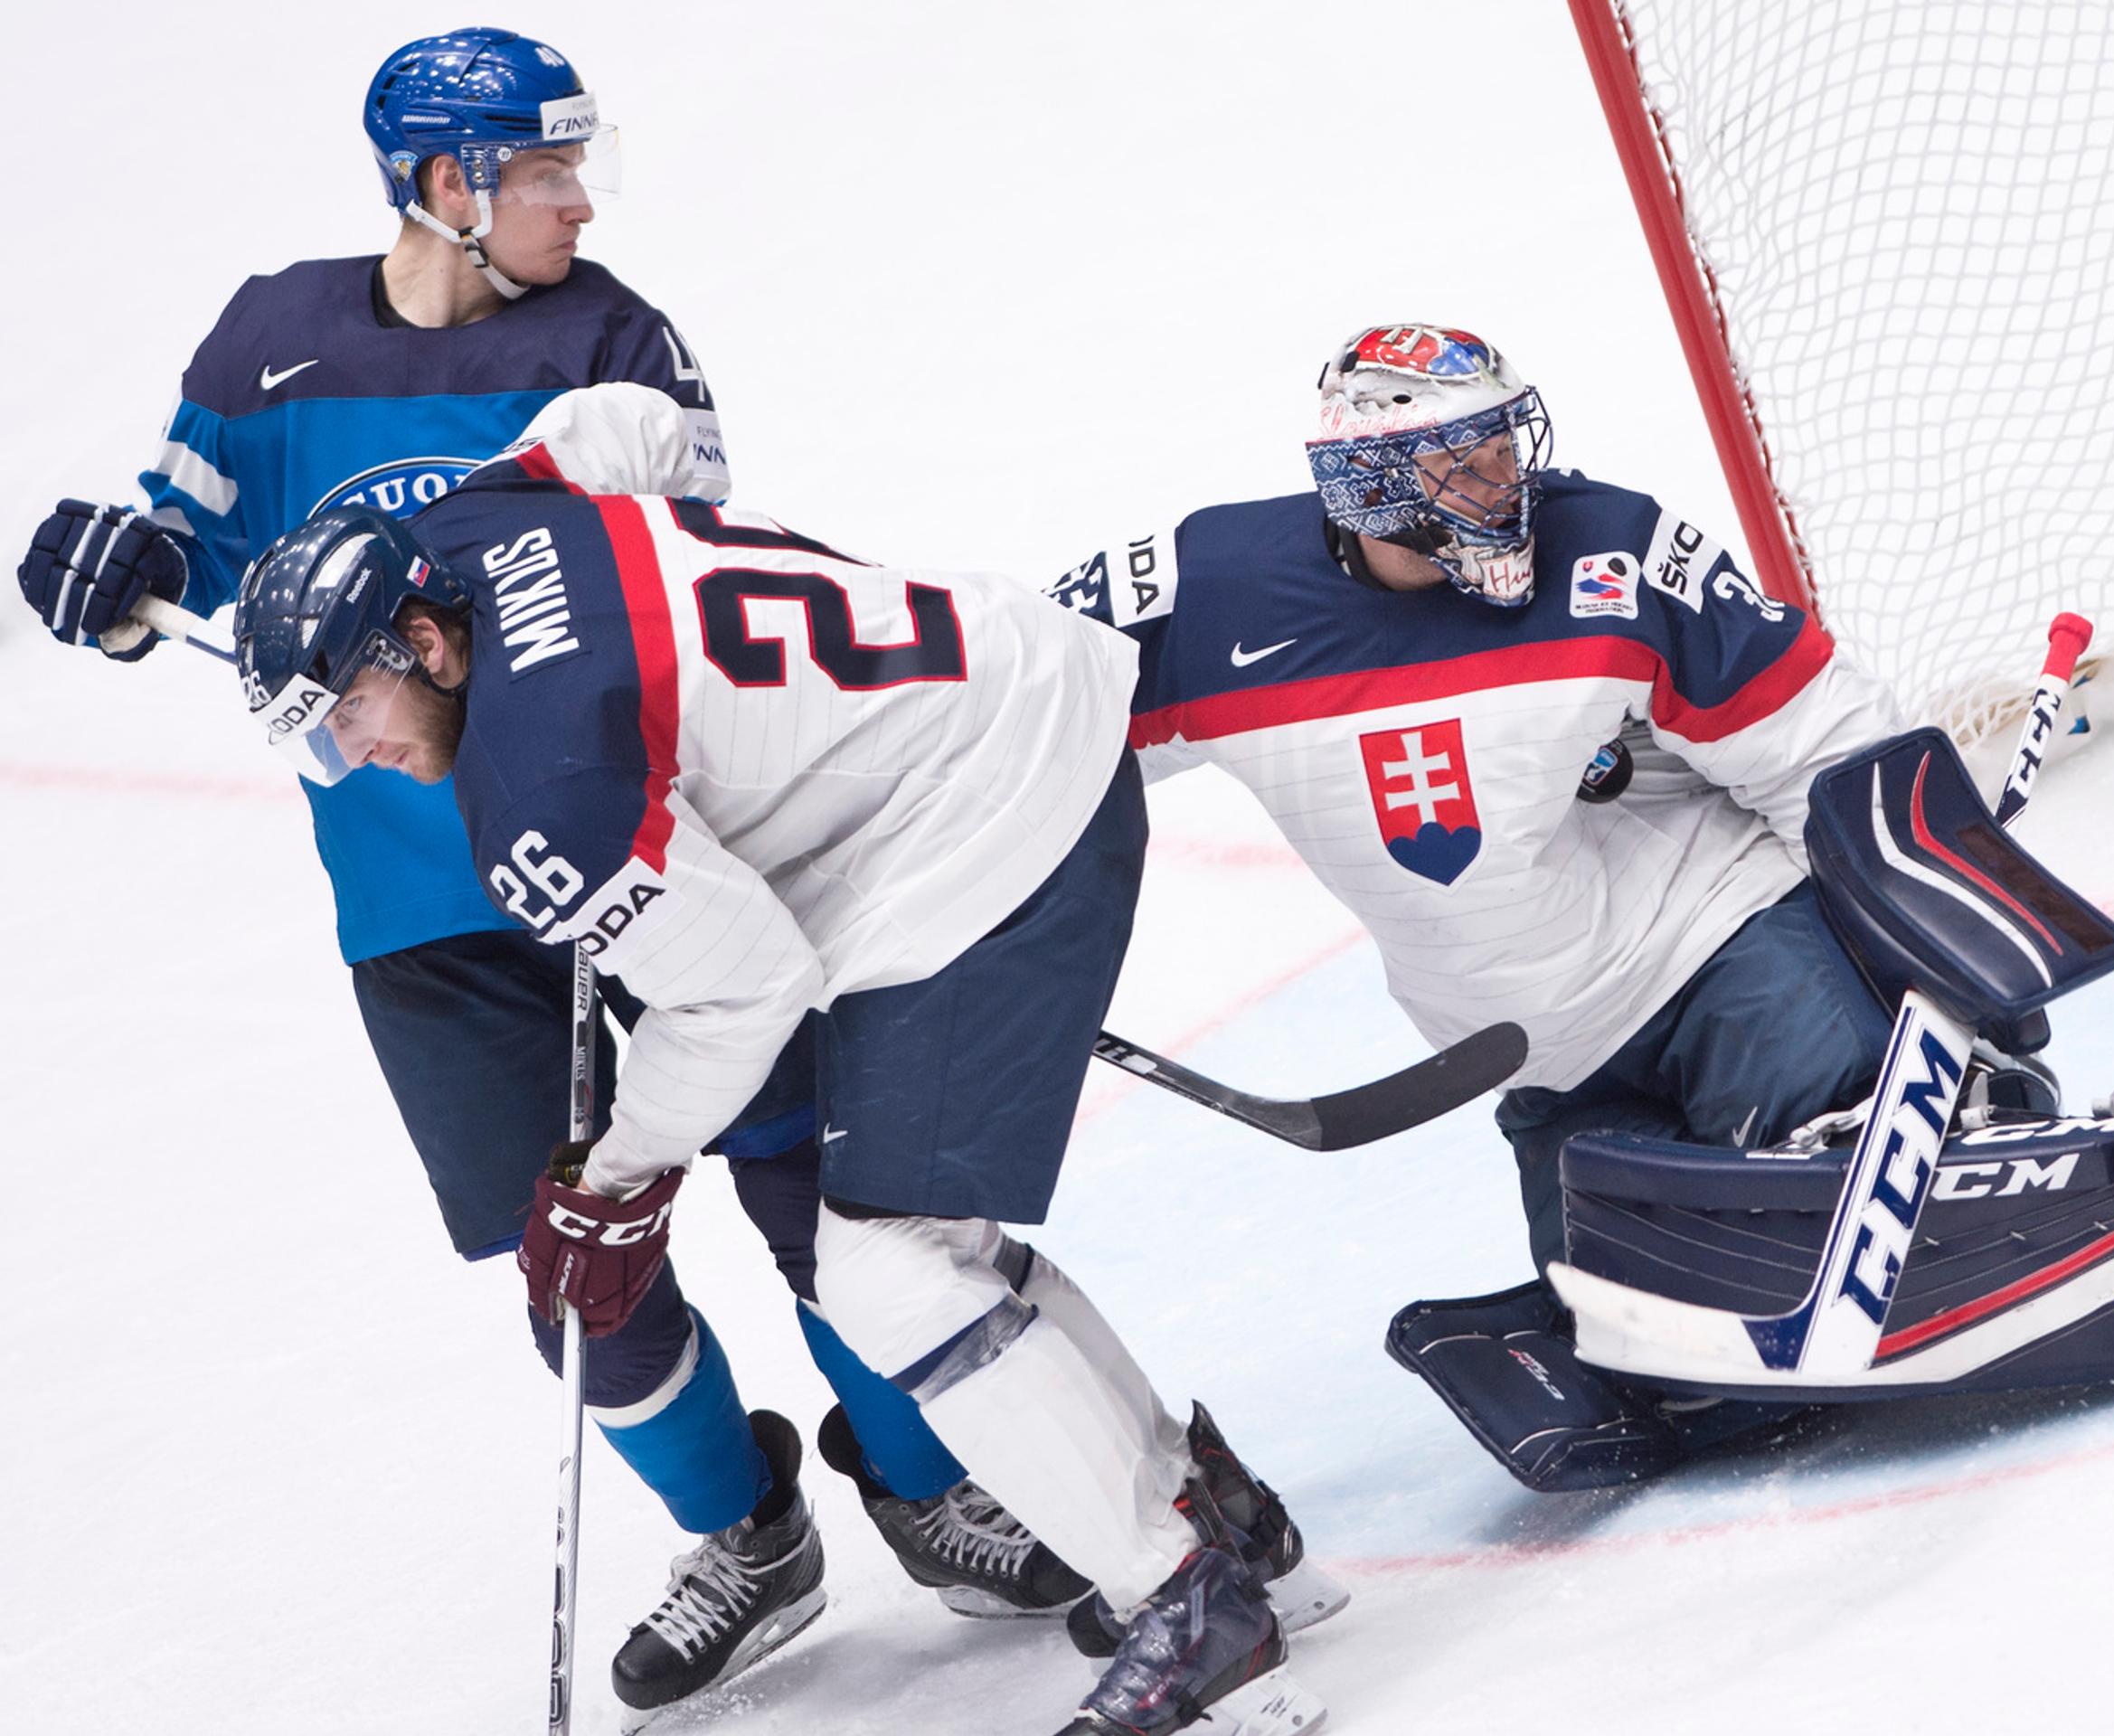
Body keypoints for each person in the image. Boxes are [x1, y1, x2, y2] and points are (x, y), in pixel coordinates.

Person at [10, 30, 1076, 1722]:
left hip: (645, 841)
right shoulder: (267, 343)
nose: (582, 201)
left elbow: (681, 548)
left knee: (821, 1198)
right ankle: (746, 1534)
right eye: (546, 171)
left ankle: (932, 1489)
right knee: (573, 1265)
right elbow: (192, 546)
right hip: (429, 915)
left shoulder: (613, 339)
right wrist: (123, 567)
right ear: (446, 185)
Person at [227, 382, 1336, 1736]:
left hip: (978, 812)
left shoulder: (541, 797)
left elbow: (745, 993)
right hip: (990, 688)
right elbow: (630, 422)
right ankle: (1206, 1517)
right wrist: (720, 656)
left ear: (421, 638)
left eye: (350, 709)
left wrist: (620, 1173)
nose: (359, 752)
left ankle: (1188, 1596)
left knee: (884, 1258)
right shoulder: (488, 509)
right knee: (914, 1240)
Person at [1044, 323, 1944, 1487]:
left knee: (1865, 1202)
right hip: (1539, 1056)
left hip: (1722, 944)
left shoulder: (1612, 547)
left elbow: (1826, 743)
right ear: (1368, 484)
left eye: (1503, 447)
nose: (1503, 480)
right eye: (1460, 461)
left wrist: (1933, 939)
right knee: (1674, 1361)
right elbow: (1021, 718)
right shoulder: (1209, 589)